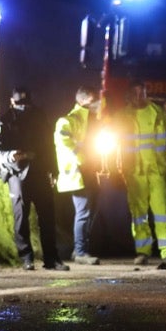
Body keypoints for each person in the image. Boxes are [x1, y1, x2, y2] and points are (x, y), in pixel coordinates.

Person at [0, 86, 66, 271]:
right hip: (17, 173)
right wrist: (11, 156)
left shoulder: (39, 116)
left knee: (48, 216)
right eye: (19, 103)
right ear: (12, 102)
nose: (23, 107)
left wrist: (54, 170)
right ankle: (26, 257)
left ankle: (52, 259)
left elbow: (50, 145)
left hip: (40, 171)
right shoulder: (5, 119)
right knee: (21, 218)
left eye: (26, 103)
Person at [118, 80, 166, 268]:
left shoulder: (158, 113)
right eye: (136, 93)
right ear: (130, 95)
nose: (140, 97)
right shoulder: (123, 116)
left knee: (162, 212)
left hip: (157, 170)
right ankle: (143, 251)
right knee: (138, 214)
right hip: (134, 172)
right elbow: (116, 143)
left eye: (143, 93)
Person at [54, 87, 101, 265]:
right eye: (92, 100)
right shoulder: (67, 121)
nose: (96, 103)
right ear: (82, 101)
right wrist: (82, 158)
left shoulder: (93, 121)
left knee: (91, 210)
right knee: (83, 212)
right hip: (77, 174)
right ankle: (81, 252)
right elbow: (64, 143)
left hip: (91, 172)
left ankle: (80, 249)